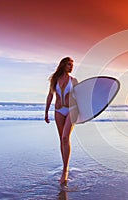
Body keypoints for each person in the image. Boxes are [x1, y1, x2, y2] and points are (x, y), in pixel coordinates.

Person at [45, 57, 78, 185]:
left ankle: (65, 170)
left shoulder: (73, 81)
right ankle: (64, 165)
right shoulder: (55, 80)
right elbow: (50, 95)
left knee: (65, 137)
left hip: (71, 110)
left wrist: (84, 113)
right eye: (69, 65)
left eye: (72, 65)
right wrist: (46, 112)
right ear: (63, 65)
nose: (71, 67)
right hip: (58, 111)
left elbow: (80, 96)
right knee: (61, 139)